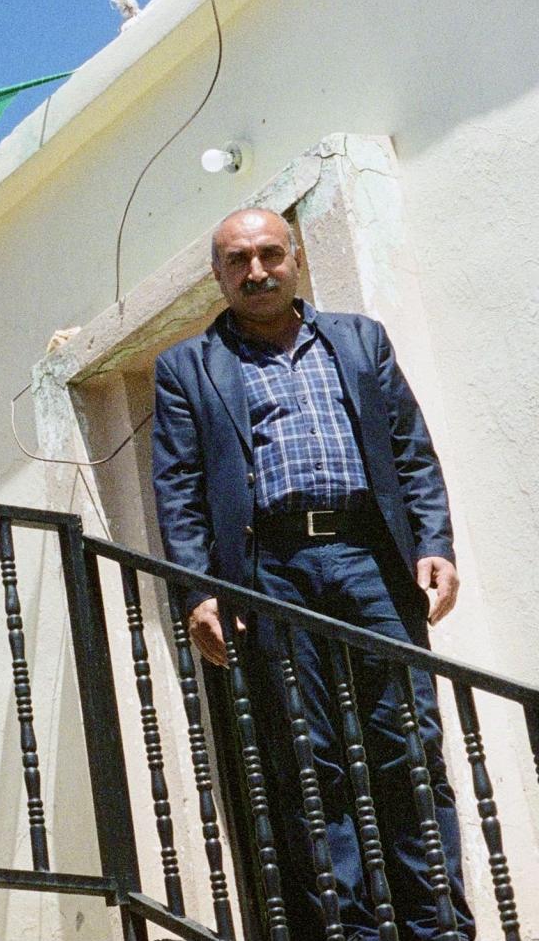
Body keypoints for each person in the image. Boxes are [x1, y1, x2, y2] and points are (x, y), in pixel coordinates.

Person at [152, 207, 472, 940]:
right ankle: (352, 929)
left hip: (370, 563)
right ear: (219, 274)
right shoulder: (186, 368)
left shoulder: (359, 341)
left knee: (409, 744)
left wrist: (435, 543)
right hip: (270, 574)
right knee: (309, 758)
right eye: (239, 259)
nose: (257, 271)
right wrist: (200, 591)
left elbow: (411, 451)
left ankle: (437, 923)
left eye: (270, 254)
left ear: (294, 259)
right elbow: (180, 490)